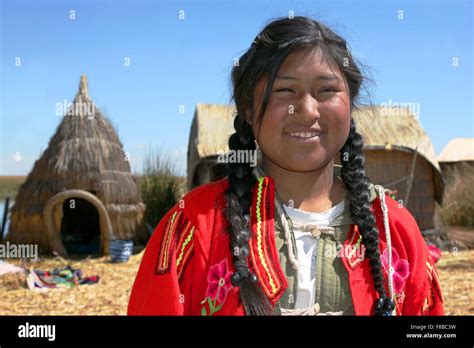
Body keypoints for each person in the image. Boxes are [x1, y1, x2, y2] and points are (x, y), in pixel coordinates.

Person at [128, 16, 444, 316]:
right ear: (249, 110)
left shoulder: (395, 229)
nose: (307, 110)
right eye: (285, 90)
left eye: (327, 91)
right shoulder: (192, 228)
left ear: (350, 106)